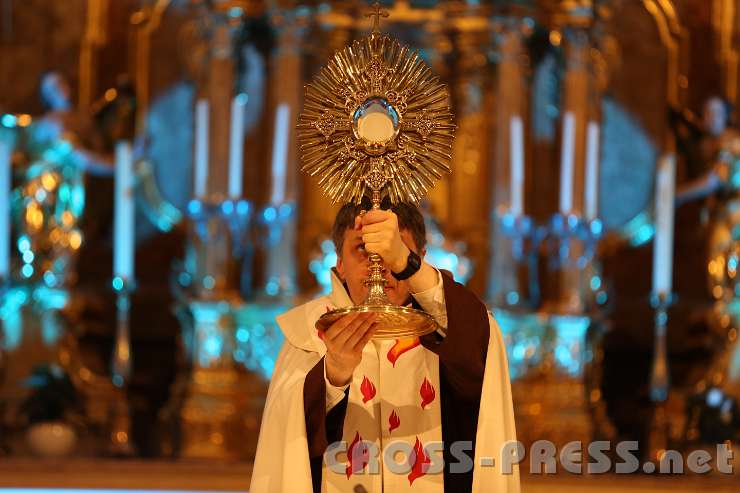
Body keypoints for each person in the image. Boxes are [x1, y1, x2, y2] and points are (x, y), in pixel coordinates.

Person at [250, 198, 520, 492]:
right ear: (339, 263)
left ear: (421, 257)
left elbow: (478, 351)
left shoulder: (452, 326)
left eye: (391, 251)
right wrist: (333, 378)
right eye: (362, 249)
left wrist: (407, 265)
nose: (379, 265)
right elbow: (288, 449)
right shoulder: (305, 334)